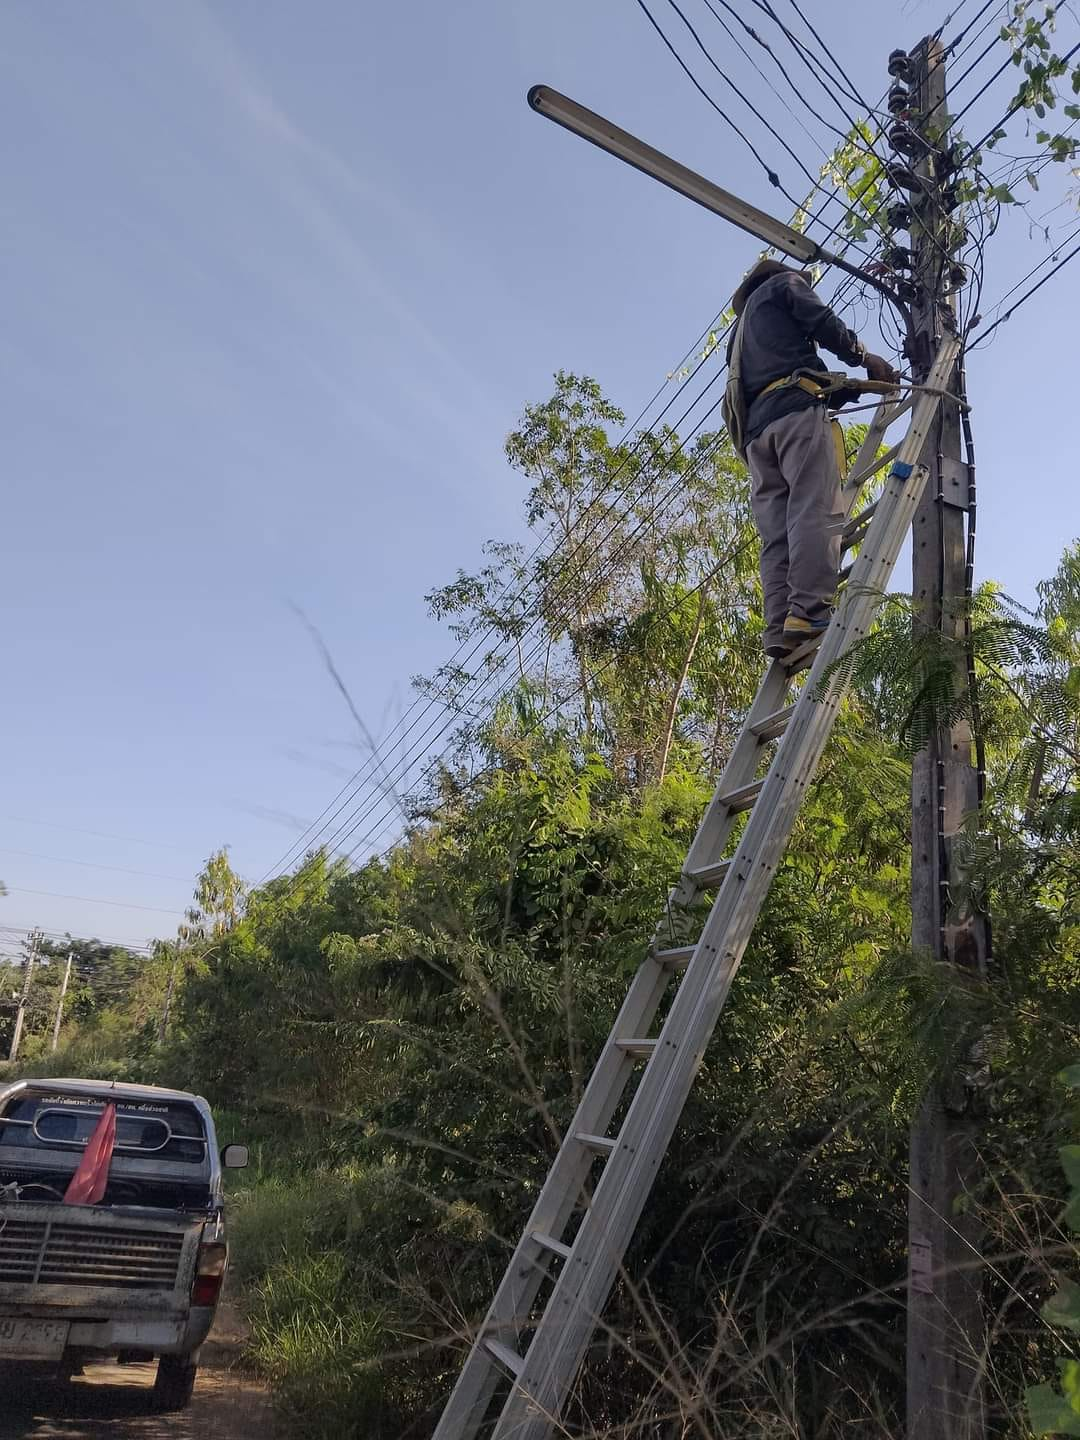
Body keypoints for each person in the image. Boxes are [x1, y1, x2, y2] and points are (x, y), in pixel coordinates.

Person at [725, 259, 900, 658]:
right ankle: (808, 611)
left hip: (757, 438)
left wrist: (857, 387)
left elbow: (800, 378)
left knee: (777, 536)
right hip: (795, 421)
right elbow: (821, 320)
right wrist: (863, 357)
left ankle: (777, 625)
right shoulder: (783, 285)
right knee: (814, 510)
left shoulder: (739, 336)